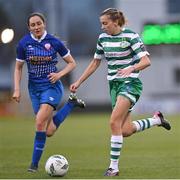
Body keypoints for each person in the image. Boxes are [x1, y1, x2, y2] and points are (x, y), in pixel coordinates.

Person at [70, 8, 171, 176]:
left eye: (105, 23)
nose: (102, 27)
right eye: (101, 24)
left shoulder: (130, 36)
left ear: (115, 22)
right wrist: (79, 81)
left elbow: (146, 61)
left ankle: (113, 168)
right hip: (114, 86)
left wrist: (131, 67)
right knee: (125, 130)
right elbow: (95, 63)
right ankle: (156, 120)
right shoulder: (102, 39)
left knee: (113, 122)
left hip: (130, 84)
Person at [12, 12, 85, 172]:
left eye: (39, 23)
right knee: (49, 131)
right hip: (34, 89)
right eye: (33, 25)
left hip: (51, 87)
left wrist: (59, 74)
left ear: (44, 24)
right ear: (29, 27)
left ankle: (34, 165)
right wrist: (17, 89)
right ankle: (71, 104)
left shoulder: (54, 42)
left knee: (39, 122)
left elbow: (72, 63)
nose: (36, 27)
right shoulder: (24, 43)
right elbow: (18, 68)